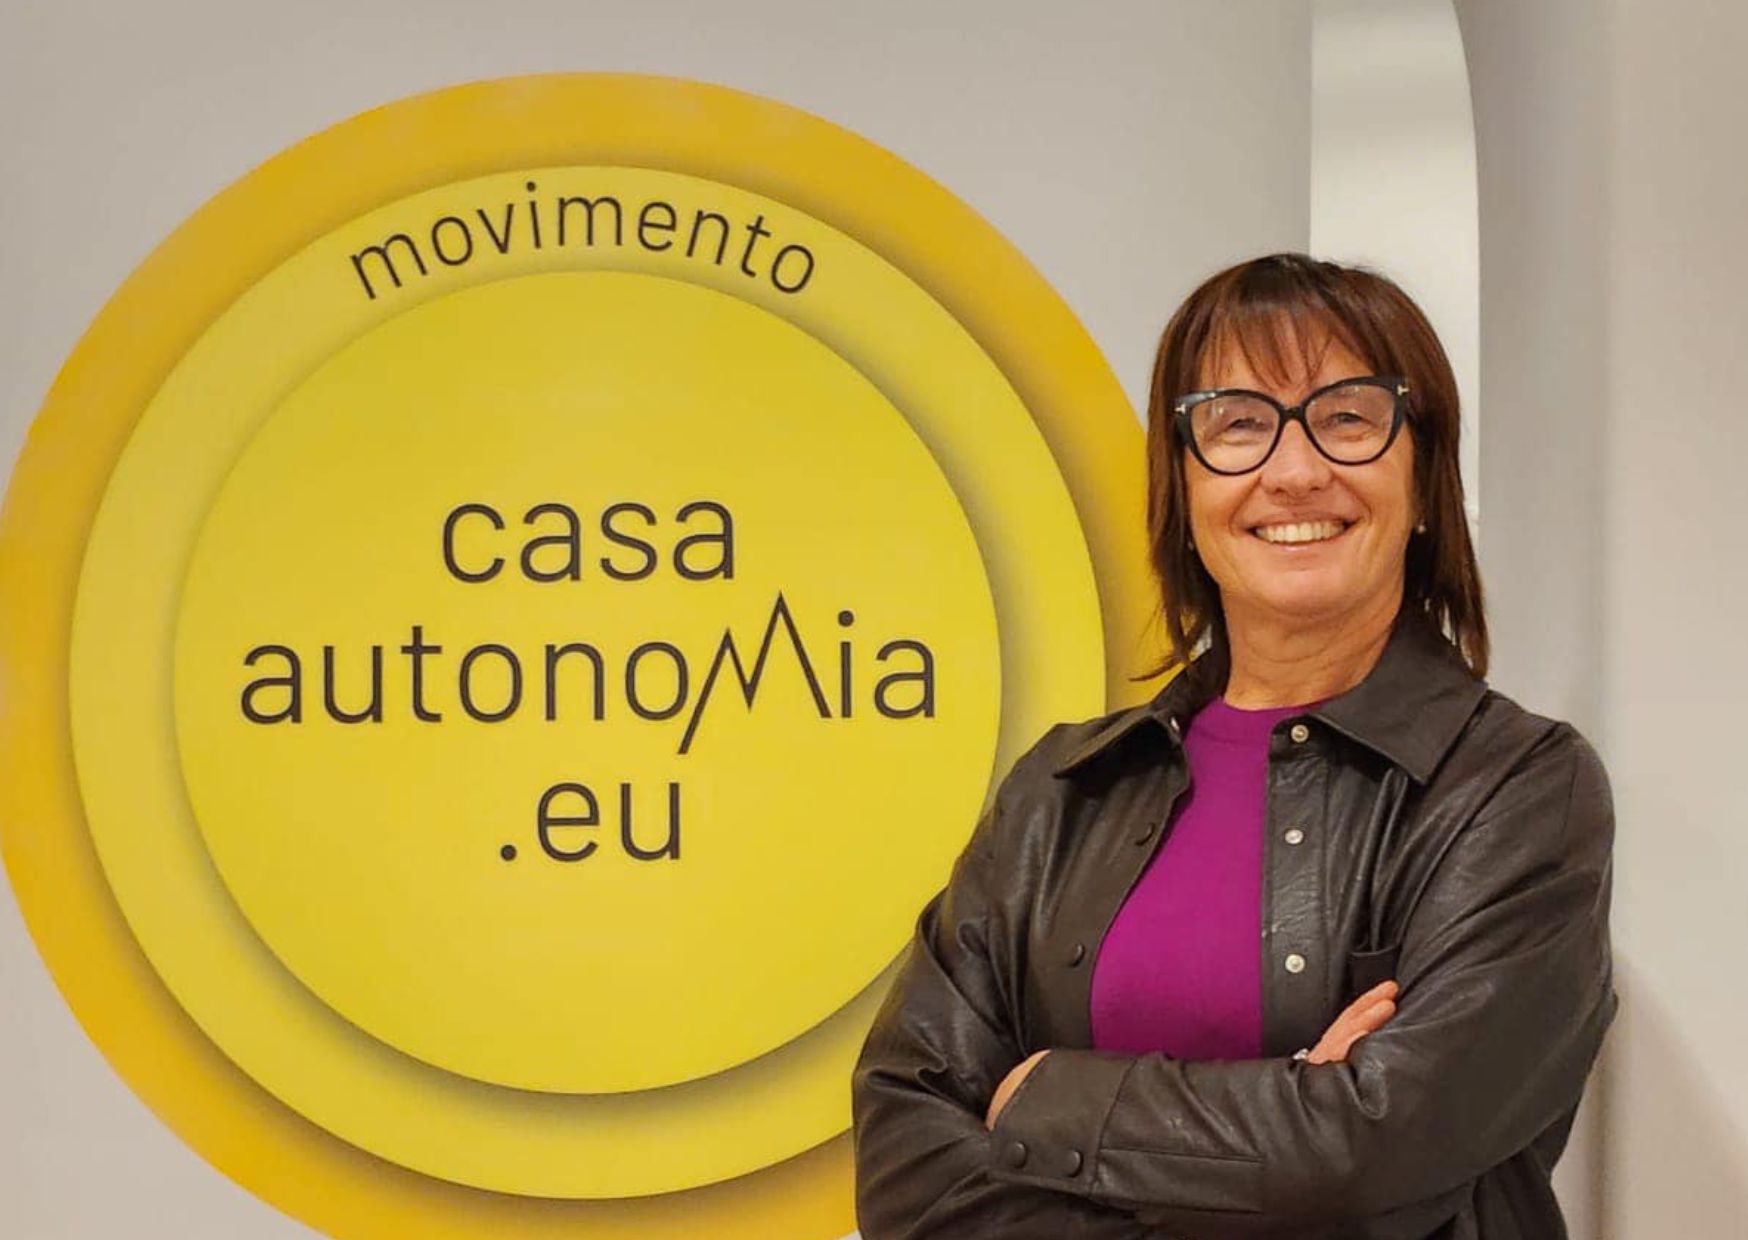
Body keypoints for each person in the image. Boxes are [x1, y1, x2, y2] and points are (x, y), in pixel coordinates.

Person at [850, 253, 1618, 1239]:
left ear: (1424, 479)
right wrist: (1291, 1117)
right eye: (1238, 424)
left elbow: (1373, 1151)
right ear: (1183, 493)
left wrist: (1044, 1096)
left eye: (1348, 417)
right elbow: (903, 1157)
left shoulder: (1513, 790)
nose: (1293, 471)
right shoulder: (1065, 790)